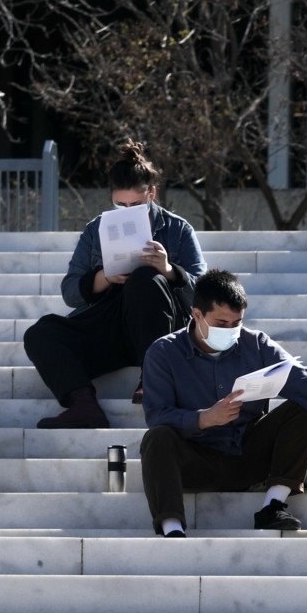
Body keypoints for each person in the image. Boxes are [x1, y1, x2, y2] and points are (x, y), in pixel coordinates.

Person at [139, 270, 307, 536]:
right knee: (156, 438)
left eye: (237, 323)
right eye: (221, 323)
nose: (230, 331)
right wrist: (204, 418)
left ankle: (273, 505)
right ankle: (171, 528)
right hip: (195, 462)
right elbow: (157, 415)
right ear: (197, 315)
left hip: (250, 456)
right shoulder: (163, 353)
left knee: (304, 404)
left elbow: (305, 381)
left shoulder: (256, 344)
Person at [23, 142, 205, 430]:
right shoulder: (96, 229)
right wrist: (104, 277)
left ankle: (154, 380)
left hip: (159, 328)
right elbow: (70, 292)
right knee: (39, 333)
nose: (128, 211)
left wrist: (168, 270)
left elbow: (203, 294)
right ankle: (83, 405)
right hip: (111, 325)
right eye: (120, 205)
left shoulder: (178, 229)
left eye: (136, 206)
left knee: (145, 279)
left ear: (152, 194)